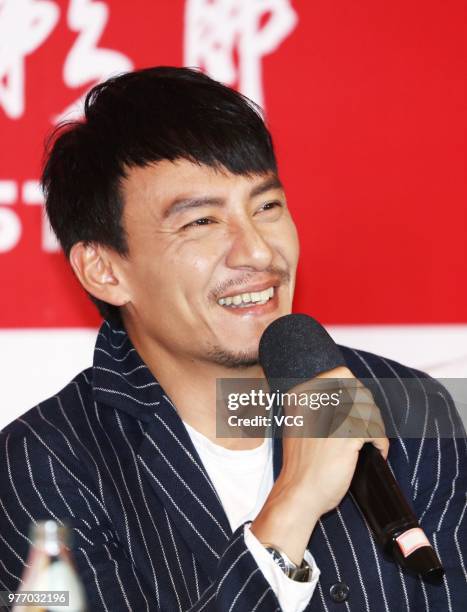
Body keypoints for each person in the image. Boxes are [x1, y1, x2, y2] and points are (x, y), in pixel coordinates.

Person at [0, 67, 465, 611]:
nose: (259, 252)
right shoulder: (43, 466)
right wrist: (290, 511)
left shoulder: (414, 412)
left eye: (267, 207)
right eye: (201, 222)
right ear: (105, 270)